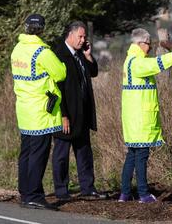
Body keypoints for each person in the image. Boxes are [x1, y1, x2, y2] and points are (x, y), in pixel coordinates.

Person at [118, 28, 172, 203]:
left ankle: (125, 193)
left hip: (134, 119)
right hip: (140, 120)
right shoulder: (137, 63)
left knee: (132, 155)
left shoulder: (131, 61)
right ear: (139, 43)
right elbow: (156, 64)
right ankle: (144, 194)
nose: (150, 48)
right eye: (148, 44)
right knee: (141, 156)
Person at [11, 14, 66, 211]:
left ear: (26, 28)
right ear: (42, 30)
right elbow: (60, 73)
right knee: (38, 155)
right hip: (40, 111)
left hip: (24, 108)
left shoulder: (17, 49)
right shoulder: (42, 51)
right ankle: (33, 195)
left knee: (26, 153)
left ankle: (25, 192)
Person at [51, 21, 107, 201]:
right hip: (66, 114)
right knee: (61, 155)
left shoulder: (80, 54)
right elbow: (57, 87)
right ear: (70, 35)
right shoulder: (59, 55)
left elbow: (93, 72)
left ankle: (88, 188)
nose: (83, 40)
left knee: (84, 152)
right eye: (80, 37)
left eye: (85, 37)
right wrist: (63, 114)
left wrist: (89, 56)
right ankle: (61, 190)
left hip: (82, 112)